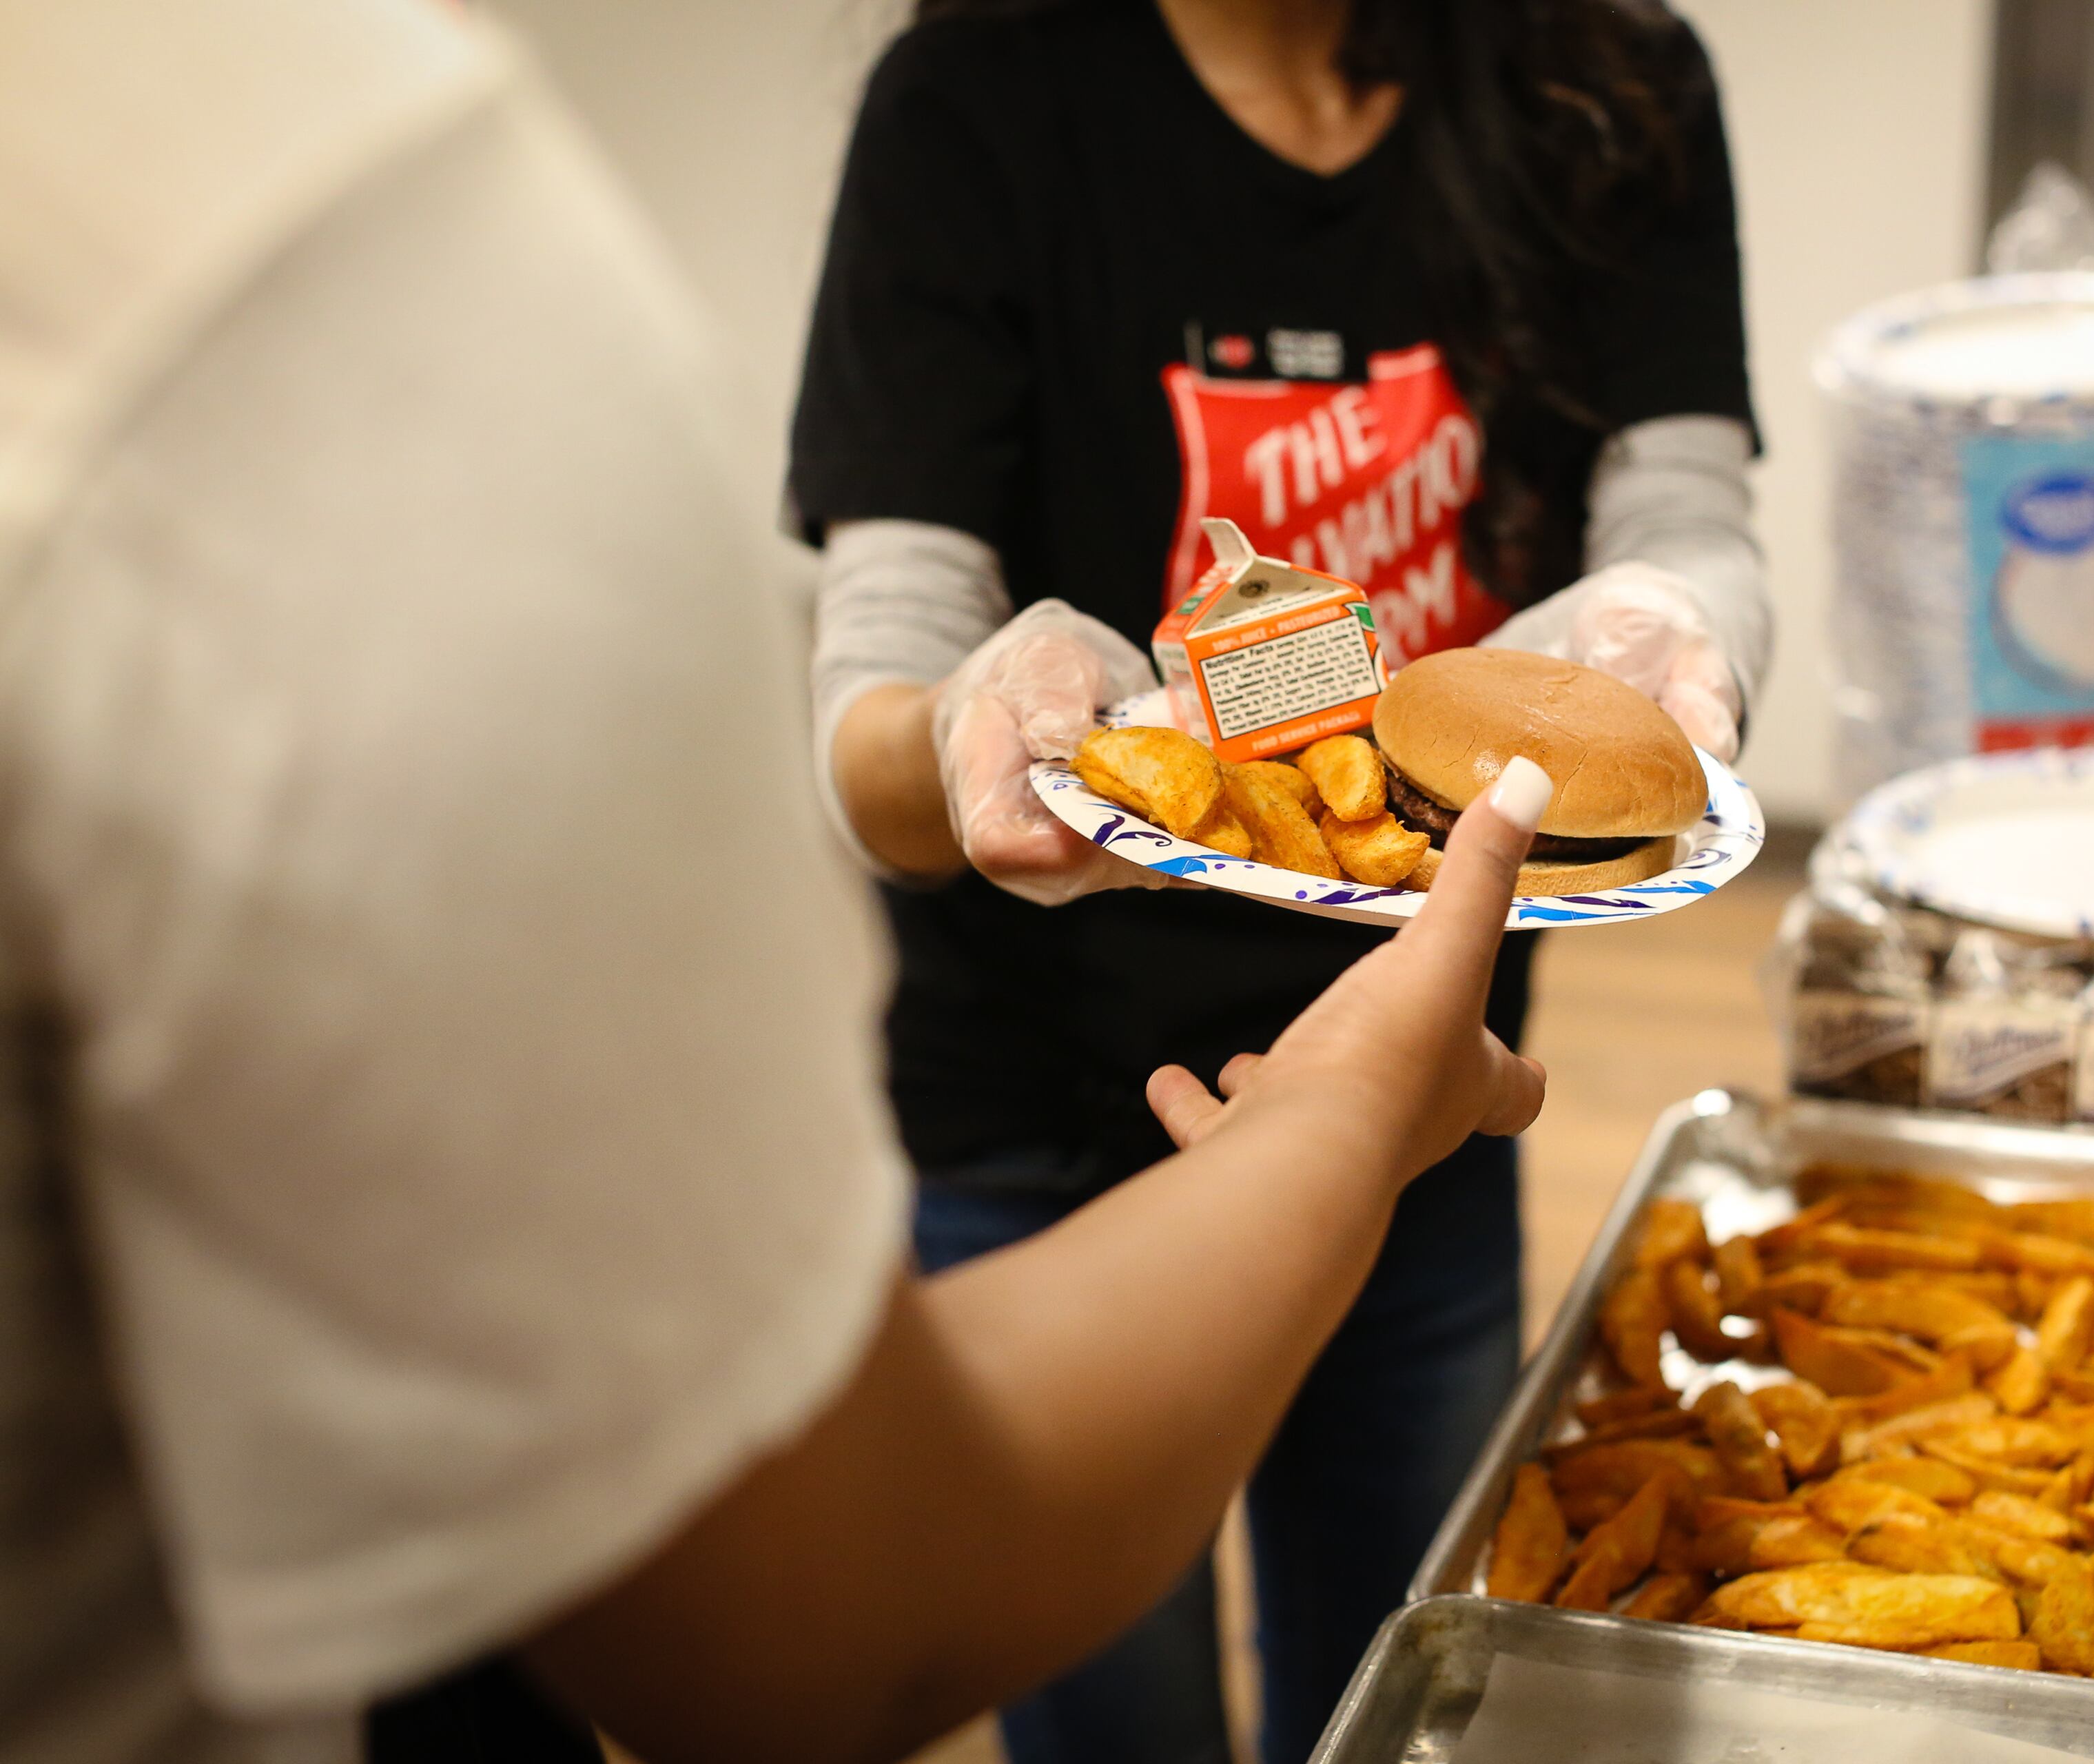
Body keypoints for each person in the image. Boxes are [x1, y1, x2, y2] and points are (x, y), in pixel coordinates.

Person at [0, 2, 1546, 1760]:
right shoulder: (294, 234)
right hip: (1043, 1084)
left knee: (1400, 1650)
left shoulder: (1582, 83)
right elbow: (829, 1613)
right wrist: (1353, 1096)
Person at [792, 0, 1767, 1756]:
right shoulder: (977, 94)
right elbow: (875, 684)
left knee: (1398, 1688)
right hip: (1041, 1118)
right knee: (1114, 1714)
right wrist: (964, 722)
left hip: (1427, 1087)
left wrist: (1680, 623)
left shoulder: (1605, 75)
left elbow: (1683, 506)